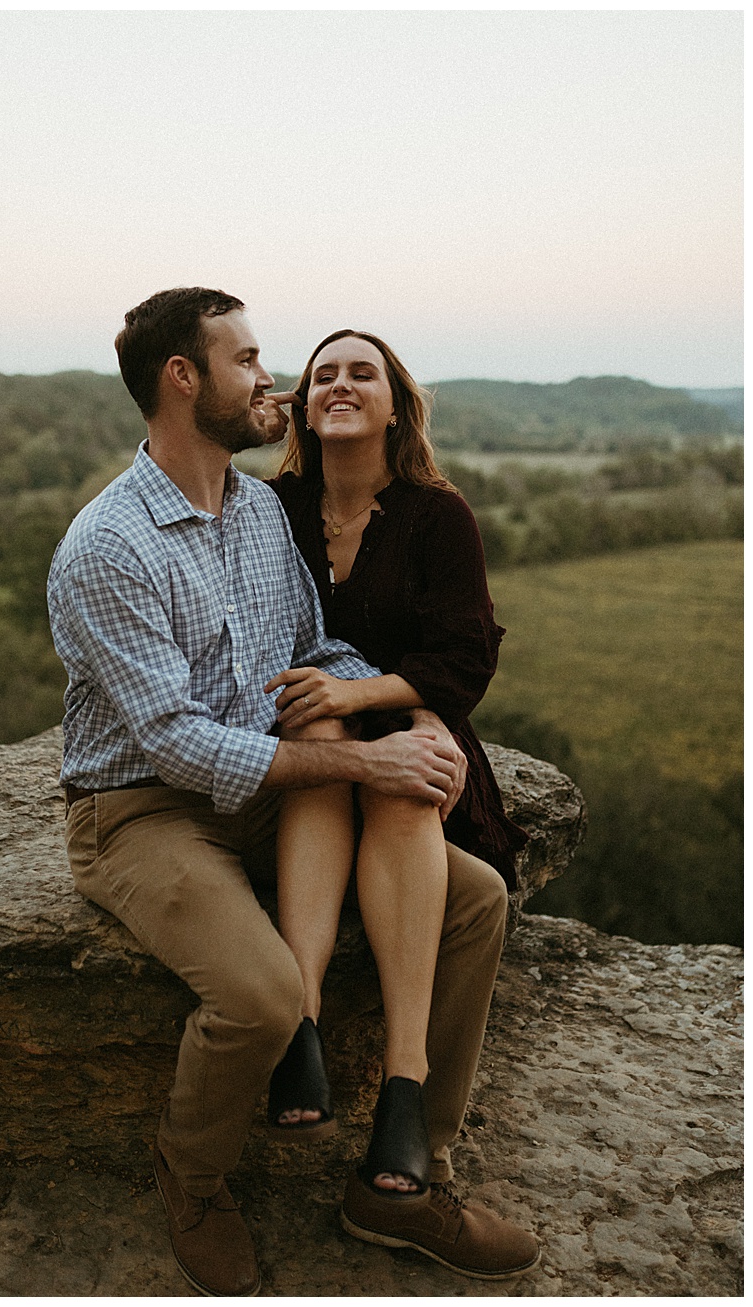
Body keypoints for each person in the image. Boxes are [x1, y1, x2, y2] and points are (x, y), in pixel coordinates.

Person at [46, 286, 539, 1295]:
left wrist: (416, 717)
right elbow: (179, 743)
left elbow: (314, 650)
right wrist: (363, 759)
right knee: (263, 996)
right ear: (185, 380)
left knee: (478, 896)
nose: (268, 378)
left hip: (272, 790)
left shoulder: (260, 512)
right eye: (249, 360)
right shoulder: (107, 545)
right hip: (142, 808)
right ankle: (194, 1181)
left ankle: (407, 1175)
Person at [260, 329, 530, 1214]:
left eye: (361, 372)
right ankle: (299, 1023)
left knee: (408, 784)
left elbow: (463, 654)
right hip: (306, 748)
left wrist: (375, 700)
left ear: (394, 403)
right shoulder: (272, 508)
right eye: (322, 374)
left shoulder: (434, 514)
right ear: (303, 404)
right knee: (332, 766)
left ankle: (404, 1089)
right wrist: (328, 711)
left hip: (408, 732)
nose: (339, 383)